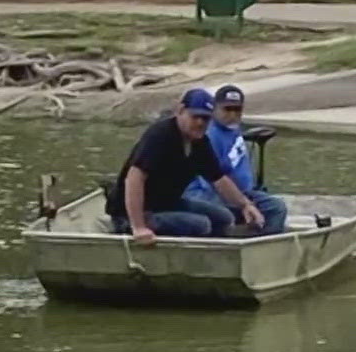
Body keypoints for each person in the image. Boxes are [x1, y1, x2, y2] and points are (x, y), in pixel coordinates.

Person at [107, 89, 265, 243]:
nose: (200, 123)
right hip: (133, 212)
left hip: (166, 203)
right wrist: (138, 227)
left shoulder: (200, 142)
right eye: (195, 116)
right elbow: (134, 178)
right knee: (200, 224)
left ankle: (213, 256)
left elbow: (219, 179)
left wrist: (246, 205)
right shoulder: (161, 135)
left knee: (224, 218)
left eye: (206, 118)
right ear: (181, 111)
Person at [185, 85, 289, 234]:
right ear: (215, 108)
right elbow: (211, 182)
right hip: (212, 195)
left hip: (242, 193)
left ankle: (263, 242)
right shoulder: (209, 136)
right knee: (222, 215)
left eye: (237, 109)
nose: (233, 114)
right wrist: (241, 203)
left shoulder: (233, 128)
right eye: (227, 109)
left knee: (276, 207)